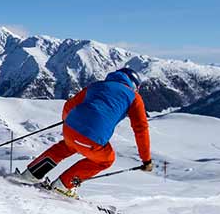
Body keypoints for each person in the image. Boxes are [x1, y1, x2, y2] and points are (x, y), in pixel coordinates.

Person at [17, 68, 152, 197]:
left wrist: (68, 121)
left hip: (70, 128)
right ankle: (64, 185)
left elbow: (69, 105)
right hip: (93, 138)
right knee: (106, 160)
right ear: (134, 85)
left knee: (66, 146)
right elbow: (141, 129)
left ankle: (31, 174)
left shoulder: (96, 85)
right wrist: (146, 160)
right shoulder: (134, 97)